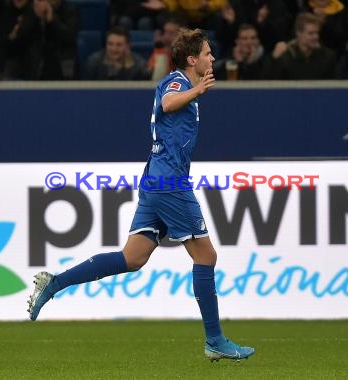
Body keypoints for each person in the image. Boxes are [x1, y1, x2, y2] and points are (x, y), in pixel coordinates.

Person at [28, 28, 255, 362]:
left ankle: (54, 283)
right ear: (192, 59)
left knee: (132, 258)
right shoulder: (178, 82)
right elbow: (167, 102)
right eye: (207, 53)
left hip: (155, 182)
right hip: (169, 184)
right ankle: (215, 340)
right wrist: (196, 91)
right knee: (206, 257)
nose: (212, 58)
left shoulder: (184, 84)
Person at [264, 12, 336, 79]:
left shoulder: (327, 57)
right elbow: (268, 83)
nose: (316, 37)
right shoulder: (285, 57)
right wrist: (273, 59)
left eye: (317, 33)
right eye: (311, 33)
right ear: (298, 33)